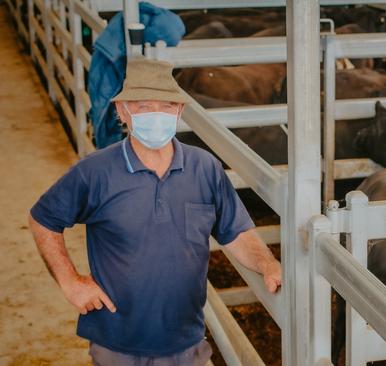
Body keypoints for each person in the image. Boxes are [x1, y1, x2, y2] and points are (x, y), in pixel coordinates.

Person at [27, 58, 282, 365]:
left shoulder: (205, 168)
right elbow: (43, 218)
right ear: (123, 111)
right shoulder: (95, 172)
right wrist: (70, 281)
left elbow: (236, 232)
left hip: (185, 340)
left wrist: (267, 263)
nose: (156, 115)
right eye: (144, 106)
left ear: (180, 112)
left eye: (166, 106)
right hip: (117, 344)